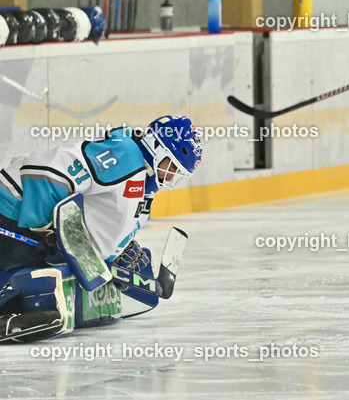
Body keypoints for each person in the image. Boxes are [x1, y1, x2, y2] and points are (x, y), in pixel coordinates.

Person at [0, 116, 202, 342]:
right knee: (35, 280)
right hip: (12, 215)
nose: (173, 175)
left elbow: (95, 233)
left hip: (28, 229)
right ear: (156, 147)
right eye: (172, 165)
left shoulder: (144, 186)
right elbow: (46, 172)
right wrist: (46, 229)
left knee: (58, 288)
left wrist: (111, 259)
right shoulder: (125, 155)